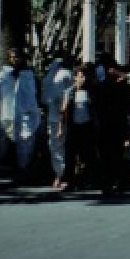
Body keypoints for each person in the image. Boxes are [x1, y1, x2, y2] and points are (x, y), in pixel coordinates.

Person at [0, 48, 40, 180]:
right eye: (12, 57)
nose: (15, 60)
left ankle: (23, 167)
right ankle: (1, 164)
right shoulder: (3, 75)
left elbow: (33, 94)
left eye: (17, 57)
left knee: (26, 139)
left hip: (25, 113)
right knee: (2, 139)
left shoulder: (29, 75)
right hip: (5, 113)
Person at [94, 58, 130, 195]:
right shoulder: (99, 86)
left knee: (117, 154)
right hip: (104, 124)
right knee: (105, 154)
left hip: (117, 124)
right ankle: (108, 180)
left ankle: (117, 180)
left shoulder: (123, 86)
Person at [59, 65, 98, 190]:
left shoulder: (90, 92)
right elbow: (63, 111)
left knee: (88, 155)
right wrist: (61, 127)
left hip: (86, 127)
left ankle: (90, 179)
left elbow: (95, 111)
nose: (82, 79)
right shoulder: (69, 92)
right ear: (75, 78)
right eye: (80, 76)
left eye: (84, 76)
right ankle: (68, 180)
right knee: (70, 155)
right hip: (73, 127)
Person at [41, 56, 73, 189]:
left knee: (56, 147)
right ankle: (60, 175)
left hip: (56, 118)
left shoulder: (51, 77)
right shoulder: (64, 75)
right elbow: (64, 101)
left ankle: (60, 175)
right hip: (60, 118)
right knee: (60, 147)